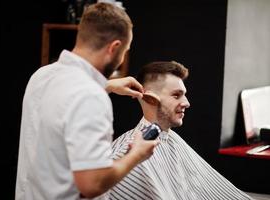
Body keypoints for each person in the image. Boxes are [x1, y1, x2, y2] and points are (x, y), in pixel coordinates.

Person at [15, 3, 158, 200]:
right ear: (114, 47)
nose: (121, 59)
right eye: (124, 51)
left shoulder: (42, 76)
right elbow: (92, 184)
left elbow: (64, 102)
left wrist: (108, 85)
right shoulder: (90, 96)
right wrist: (137, 155)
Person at [104, 61, 253, 200]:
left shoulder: (169, 139)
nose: (186, 103)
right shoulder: (126, 154)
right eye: (176, 95)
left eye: (184, 95)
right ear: (150, 98)